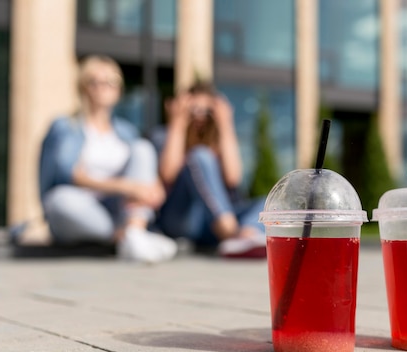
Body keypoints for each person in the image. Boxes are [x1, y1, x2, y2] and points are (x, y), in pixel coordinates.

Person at [38, 55, 177, 263]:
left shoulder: (126, 131)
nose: (104, 88)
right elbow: (67, 173)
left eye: (111, 82)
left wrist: (154, 187)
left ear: (119, 89)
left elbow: (142, 170)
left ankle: (133, 232)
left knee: (143, 148)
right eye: (96, 82)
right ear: (83, 87)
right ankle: (129, 237)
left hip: (119, 208)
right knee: (59, 201)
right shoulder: (66, 127)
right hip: (83, 207)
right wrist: (125, 186)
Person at [157, 82, 266, 258]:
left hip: (210, 227)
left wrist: (225, 124)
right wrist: (177, 123)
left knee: (268, 202)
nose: (199, 116)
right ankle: (231, 234)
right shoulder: (165, 136)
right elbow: (167, 174)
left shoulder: (219, 142)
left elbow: (233, 178)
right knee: (200, 156)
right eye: (193, 110)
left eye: (206, 111)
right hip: (183, 219)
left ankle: (247, 236)